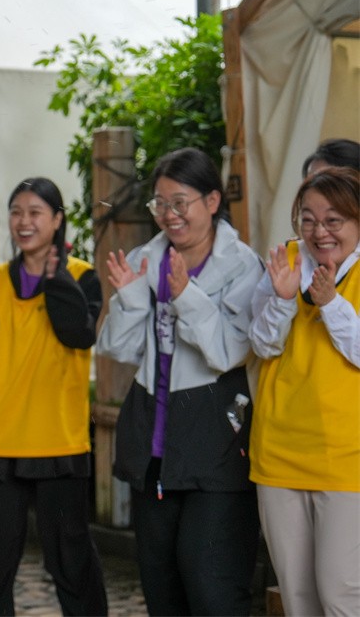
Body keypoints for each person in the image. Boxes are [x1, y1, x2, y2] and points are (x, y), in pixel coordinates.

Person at [96, 147, 264, 615]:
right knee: (161, 586)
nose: (169, 215)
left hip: (216, 442)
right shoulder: (146, 259)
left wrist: (186, 295)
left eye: (180, 202)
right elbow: (119, 350)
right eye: (160, 203)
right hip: (154, 444)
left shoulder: (242, 265)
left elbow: (228, 353)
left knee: (212, 586)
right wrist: (131, 299)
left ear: (212, 201)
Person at [0, 177, 107, 616]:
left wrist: (55, 278)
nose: (24, 221)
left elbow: (78, 334)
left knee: (70, 559)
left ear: (57, 220)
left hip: (56, 437)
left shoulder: (82, 276)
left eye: (35, 212)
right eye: (17, 212)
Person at [248, 166, 360, 617]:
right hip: (279, 451)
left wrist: (331, 303)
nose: (319, 232)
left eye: (334, 220)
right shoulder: (288, 260)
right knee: (297, 598)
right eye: (308, 220)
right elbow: (262, 345)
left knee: (341, 593)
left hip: (347, 458)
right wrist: (281, 300)